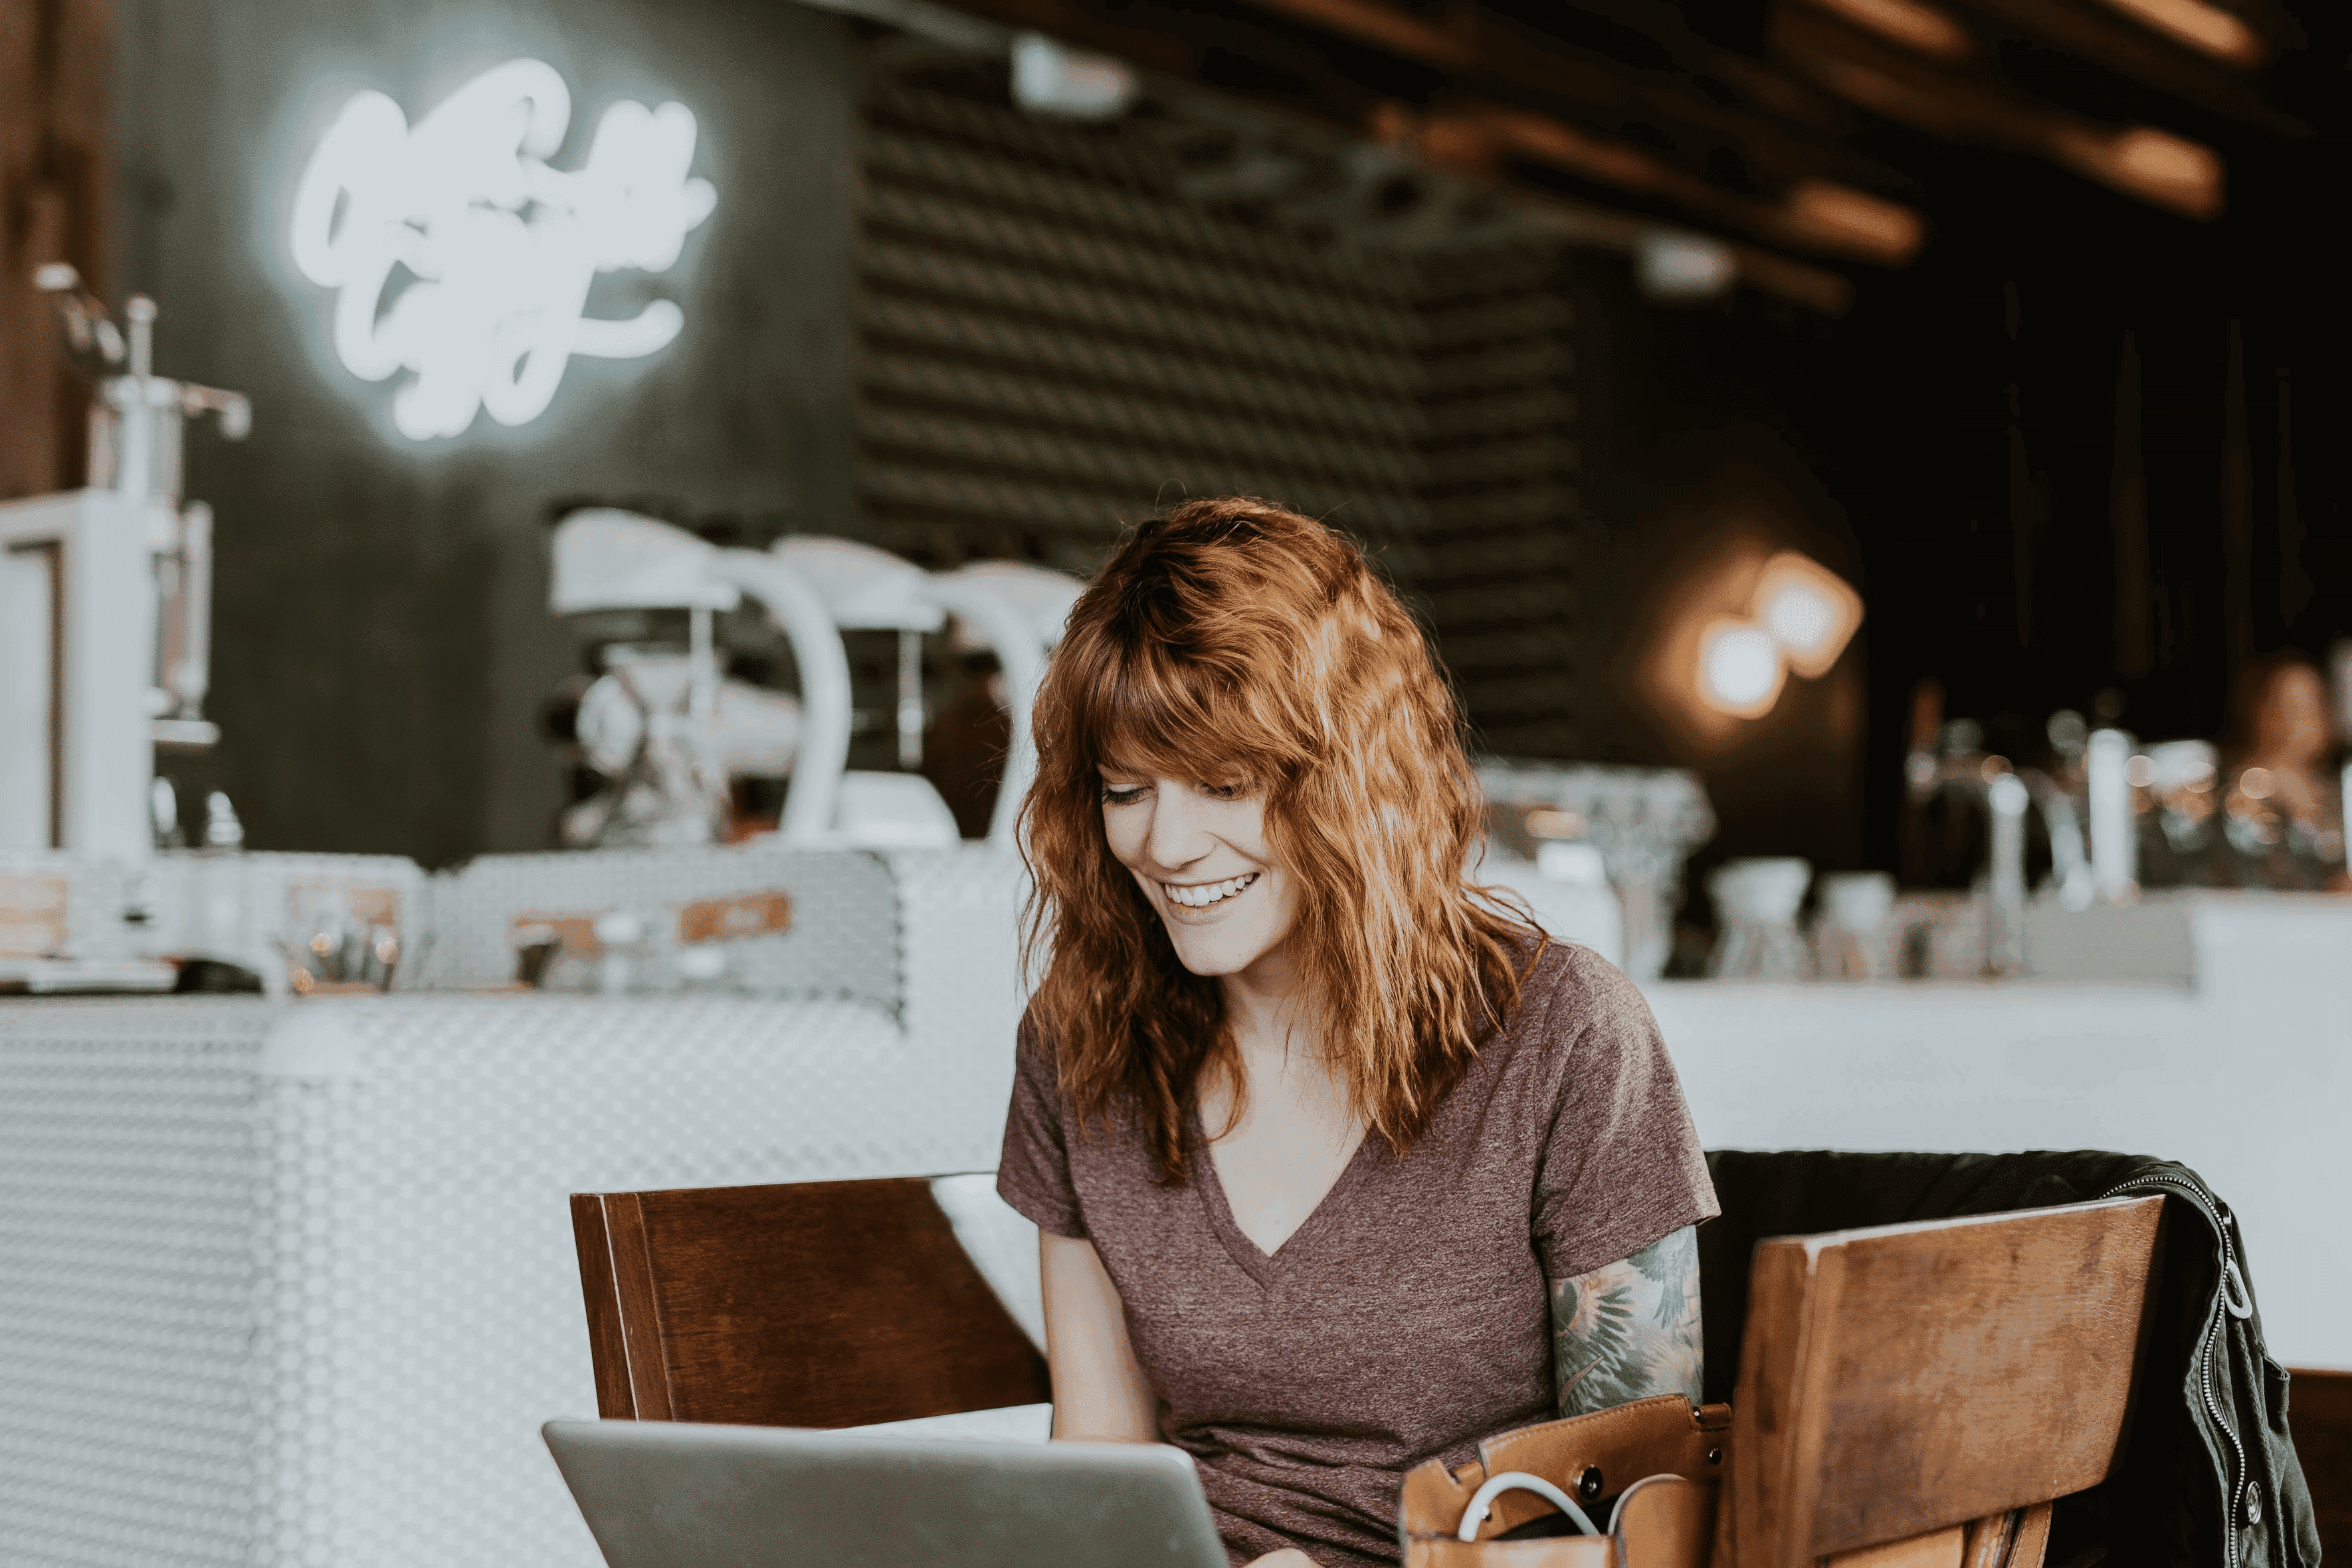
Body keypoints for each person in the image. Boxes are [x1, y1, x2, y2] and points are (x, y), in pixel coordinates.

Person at [995, 498, 1719, 1568]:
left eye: (1226, 783)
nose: (1167, 843)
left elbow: (1654, 1525)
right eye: (1125, 789)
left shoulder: (1564, 1035)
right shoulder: (1081, 1043)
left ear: (1350, 779)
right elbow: (1098, 1467)